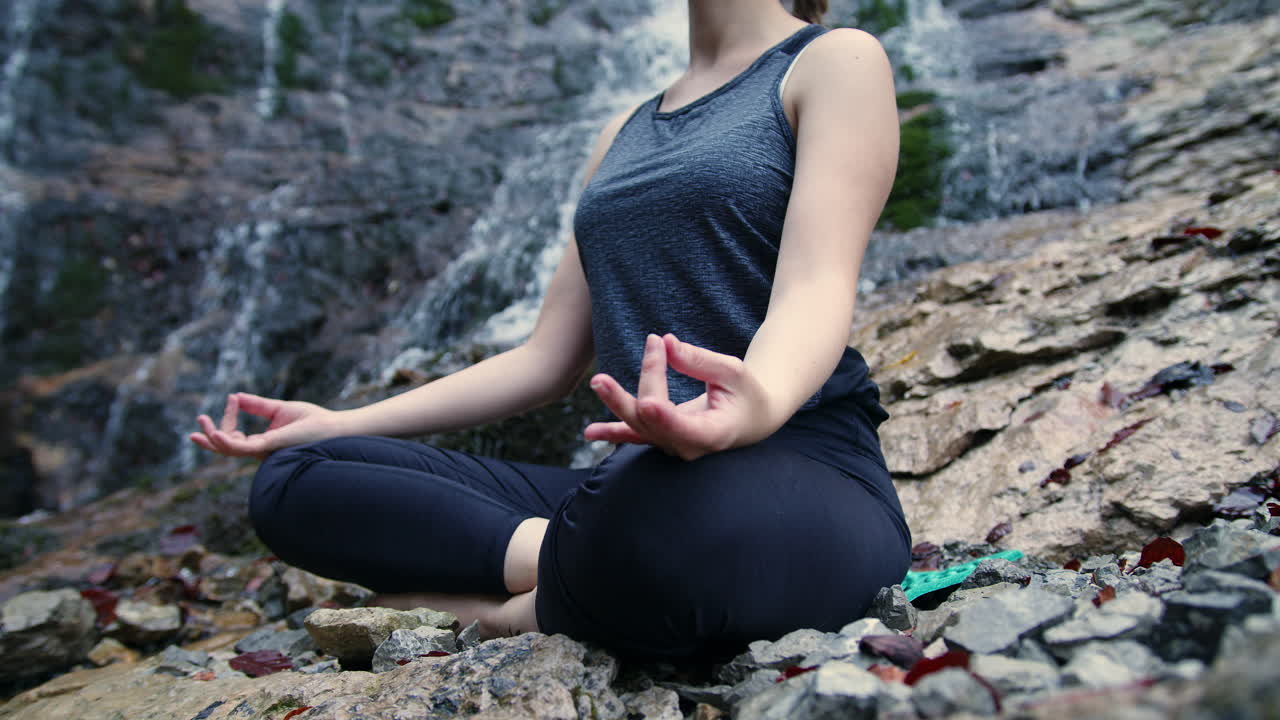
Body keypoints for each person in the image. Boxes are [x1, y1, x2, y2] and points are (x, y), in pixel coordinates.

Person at [190, 0, 910, 659]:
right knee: (297, 476)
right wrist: (343, 421)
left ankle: (495, 611)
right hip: (639, 487)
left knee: (669, 522)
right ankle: (568, 560)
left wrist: (753, 404)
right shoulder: (621, 134)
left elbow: (817, 286)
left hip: (804, 469)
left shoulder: (832, 61)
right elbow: (545, 360)